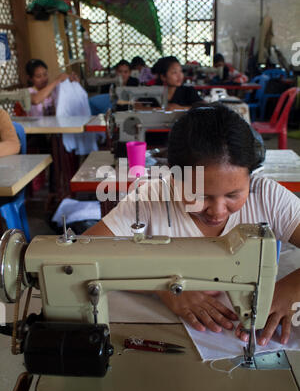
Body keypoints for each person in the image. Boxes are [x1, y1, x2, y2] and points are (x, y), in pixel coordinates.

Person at [85, 103, 300, 347]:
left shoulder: (266, 196)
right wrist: (162, 286)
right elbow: (82, 255)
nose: (217, 210)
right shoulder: (150, 199)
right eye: (200, 195)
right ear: (173, 177)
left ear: (250, 178)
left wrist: (294, 286)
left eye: (233, 194)